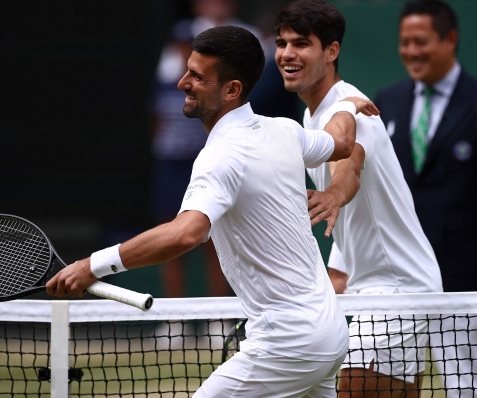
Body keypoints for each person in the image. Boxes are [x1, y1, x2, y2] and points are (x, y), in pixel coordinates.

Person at [47, 25, 379, 397]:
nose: (181, 83)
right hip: (330, 335)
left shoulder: (221, 156)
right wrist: (348, 104)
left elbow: (185, 233)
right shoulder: (285, 131)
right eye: (187, 70)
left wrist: (92, 265)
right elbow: (343, 141)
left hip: (289, 344)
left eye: (197, 77)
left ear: (232, 90)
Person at [274, 1, 443, 397]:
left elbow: (351, 163)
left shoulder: (352, 109)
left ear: (331, 51)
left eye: (302, 44)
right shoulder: (310, 119)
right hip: (386, 285)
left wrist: (334, 194)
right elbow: (354, 226)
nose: (287, 54)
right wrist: (332, 279)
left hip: (396, 290)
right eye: (282, 43)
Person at [373, 1, 477, 396]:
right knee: (385, 384)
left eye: (421, 41)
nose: (411, 51)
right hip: (395, 276)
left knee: (469, 386)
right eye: (404, 42)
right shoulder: (386, 102)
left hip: (463, 277)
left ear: (450, 40)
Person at [150, 19, 231, 298]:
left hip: (205, 166)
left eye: (192, 46)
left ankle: (218, 317)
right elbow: (156, 126)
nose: (187, 51)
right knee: (169, 243)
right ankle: (175, 318)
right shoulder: (162, 86)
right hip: (171, 169)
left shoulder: (215, 88)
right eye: (183, 45)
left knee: (213, 242)